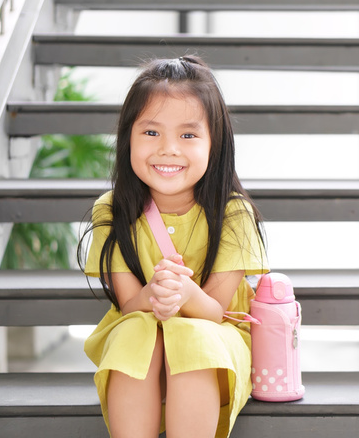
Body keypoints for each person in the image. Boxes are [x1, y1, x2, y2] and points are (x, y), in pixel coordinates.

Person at [79, 55, 269, 438]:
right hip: (143, 348)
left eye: (188, 135)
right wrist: (154, 295)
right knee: (136, 331)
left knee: (192, 335)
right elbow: (129, 304)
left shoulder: (234, 214)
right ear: (127, 138)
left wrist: (184, 293)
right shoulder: (111, 211)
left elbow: (215, 312)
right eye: (151, 133)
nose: (168, 149)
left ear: (214, 143)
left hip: (211, 346)